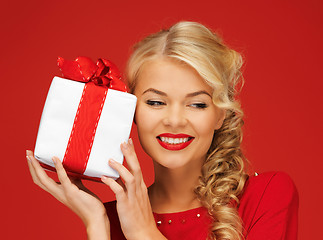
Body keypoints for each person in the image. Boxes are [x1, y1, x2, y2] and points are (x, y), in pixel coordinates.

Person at [26, 21, 298, 240]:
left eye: (197, 104)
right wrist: (97, 224)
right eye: (156, 102)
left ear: (220, 114)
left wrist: (144, 234)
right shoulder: (110, 220)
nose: (175, 120)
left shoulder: (267, 196)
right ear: (132, 112)